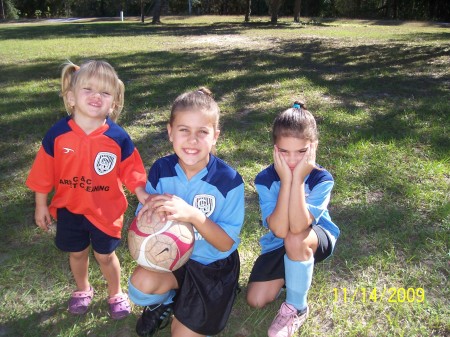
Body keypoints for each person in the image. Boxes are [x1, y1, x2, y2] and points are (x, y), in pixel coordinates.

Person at [26, 60, 149, 320]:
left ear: (113, 103)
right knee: (77, 252)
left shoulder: (118, 138)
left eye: (105, 93)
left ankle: (116, 293)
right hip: (70, 208)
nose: (96, 96)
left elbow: (132, 170)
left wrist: (142, 194)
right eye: (88, 89)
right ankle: (83, 289)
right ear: (71, 98)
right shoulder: (57, 135)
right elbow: (43, 173)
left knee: (105, 255)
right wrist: (40, 205)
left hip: (105, 210)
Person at [128, 87, 245, 337]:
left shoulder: (229, 181)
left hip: (212, 266)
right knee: (140, 288)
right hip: (173, 259)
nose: (192, 140)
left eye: (202, 132)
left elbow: (226, 243)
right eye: (184, 130)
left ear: (215, 136)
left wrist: (192, 215)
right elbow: (143, 216)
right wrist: (149, 214)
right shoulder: (161, 169)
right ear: (170, 132)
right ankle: (166, 301)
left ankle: (216, 295)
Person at [246, 101, 340, 337]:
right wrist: (286, 181)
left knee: (296, 240)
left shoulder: (322, 178)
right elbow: (278, 230)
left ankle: (297, 307)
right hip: (280, 241)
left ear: (314, 147)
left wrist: (297, 179)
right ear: (274, 149)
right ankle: (296, 271)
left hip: (315, 237)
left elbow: (299, 226)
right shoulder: (265, 179)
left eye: (301, 152)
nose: (292, 160)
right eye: (284, 152)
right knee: (256, 300)